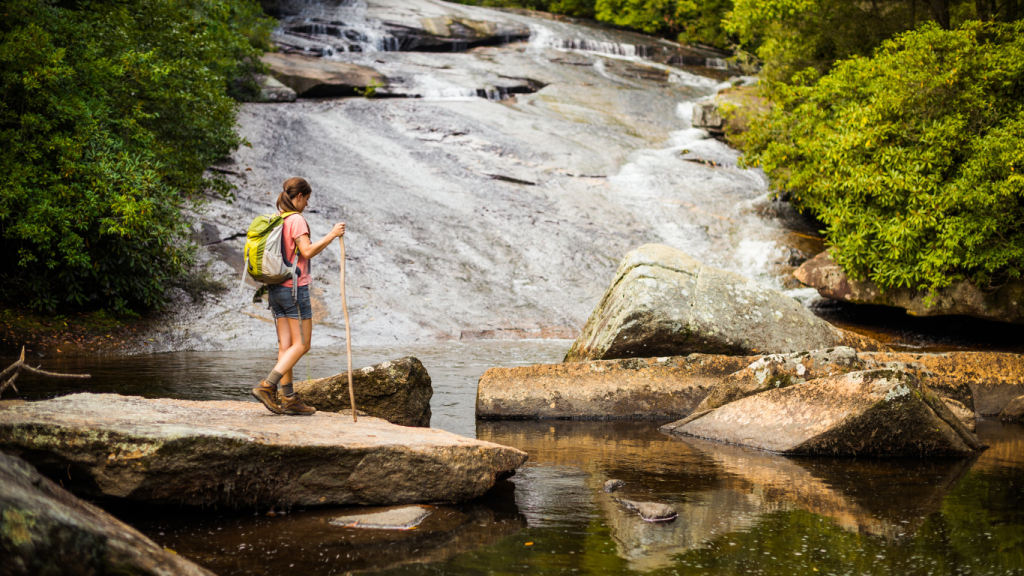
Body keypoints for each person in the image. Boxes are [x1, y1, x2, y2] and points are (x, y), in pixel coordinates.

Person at [252, 177, 345, 415]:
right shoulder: (296, 220)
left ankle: (290, 398)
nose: (306, 204)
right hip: (295, 289)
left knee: (287, 346)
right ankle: (267, 385)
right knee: (302, 344)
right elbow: (307, 251)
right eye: (307, 199)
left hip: (275, 289)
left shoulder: (278, 219)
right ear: (300, 196)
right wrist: (332, 235)